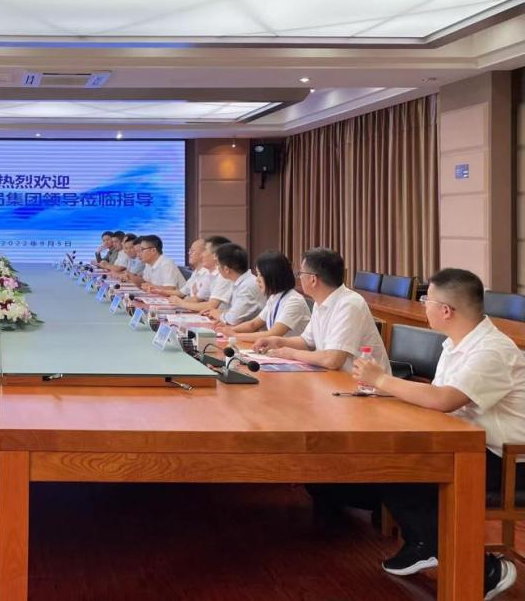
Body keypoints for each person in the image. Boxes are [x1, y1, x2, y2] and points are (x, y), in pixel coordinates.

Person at [317, 268, 520, 598]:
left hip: (507, 460)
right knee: (387, 458)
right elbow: (438, 398)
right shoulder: (456, 343)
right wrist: (383, 391)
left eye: (427, 300)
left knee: (401, 464)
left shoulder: (491, 350)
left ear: (446, 310)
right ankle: (425, 542)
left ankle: (481, 569)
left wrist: (382, 380)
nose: (423, 305)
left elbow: (444, 399)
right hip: (466, 441)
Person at [253, 247, 388, 372]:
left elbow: (333, 360)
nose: (299, 277)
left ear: (313, 280)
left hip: (365, 385)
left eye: (301, 273)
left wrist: (291, 353)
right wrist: (277, 342)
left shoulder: (350, 305)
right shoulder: (320, 302)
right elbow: (307, 342)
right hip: (336, 378)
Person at [215, 250, 310, 341]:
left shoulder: (294, 301)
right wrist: (228, 330)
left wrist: (235, 335)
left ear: (272, 276)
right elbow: (253, 324)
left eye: (260, 274)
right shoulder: (274, 297)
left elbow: (273, 334)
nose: (257, 280)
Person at [202, 243, 264, 325]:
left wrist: (216, 314)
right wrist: (220, 312)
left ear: (226, 269)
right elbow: (236, 311)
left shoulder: (247, 285)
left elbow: (233, 319)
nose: (217, 268)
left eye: (218, 264)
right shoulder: (240, 282)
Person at [170, 236, 231, 311]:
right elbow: (198, 298)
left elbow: (211, 305)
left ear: (215, 255)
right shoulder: (210, 275)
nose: (202, 255)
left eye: (205, 250)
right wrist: (178, 302)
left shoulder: (224, 276)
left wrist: (181, 303)